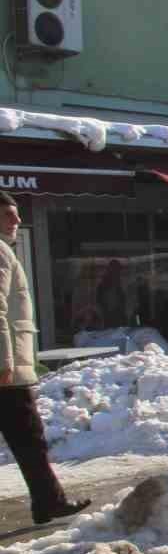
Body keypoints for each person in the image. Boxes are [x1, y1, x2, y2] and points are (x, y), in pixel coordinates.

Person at [0, 192, 90, 525]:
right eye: (10, 215)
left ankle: (47, 502)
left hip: (9, 368)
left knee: (28, 438)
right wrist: (4, 360)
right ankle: (49, 502)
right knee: (29, 437)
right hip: (6, 372)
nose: (18, 221)